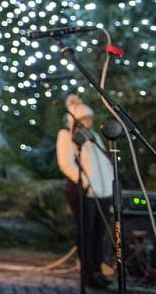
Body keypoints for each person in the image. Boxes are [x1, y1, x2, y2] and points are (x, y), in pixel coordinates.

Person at [56, 94, 114, 290]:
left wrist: (109, 180)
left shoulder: (94, 136)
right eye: (86, 119)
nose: (89, 122)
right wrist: (84, 182)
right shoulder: (67, 135)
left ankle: (98, 269)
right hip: (83, 190)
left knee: (99, 233)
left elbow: (102, 160)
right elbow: (66, 163)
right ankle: (88, 273)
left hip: (103, 190)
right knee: (86, 232)